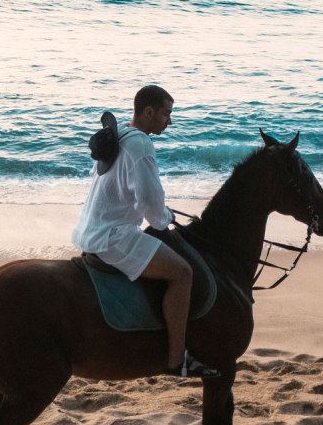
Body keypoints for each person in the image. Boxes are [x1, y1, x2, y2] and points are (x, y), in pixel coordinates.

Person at [72, 84, 218, 379]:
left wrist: (160, 215)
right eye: (166, 114)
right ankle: (177, 360)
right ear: (148, 111)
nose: (169, 121)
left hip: (89, 229)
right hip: (113, 236)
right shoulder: (140, 144)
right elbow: (151, 204)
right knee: (182, 274)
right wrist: (165, 218)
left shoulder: (120, 135)